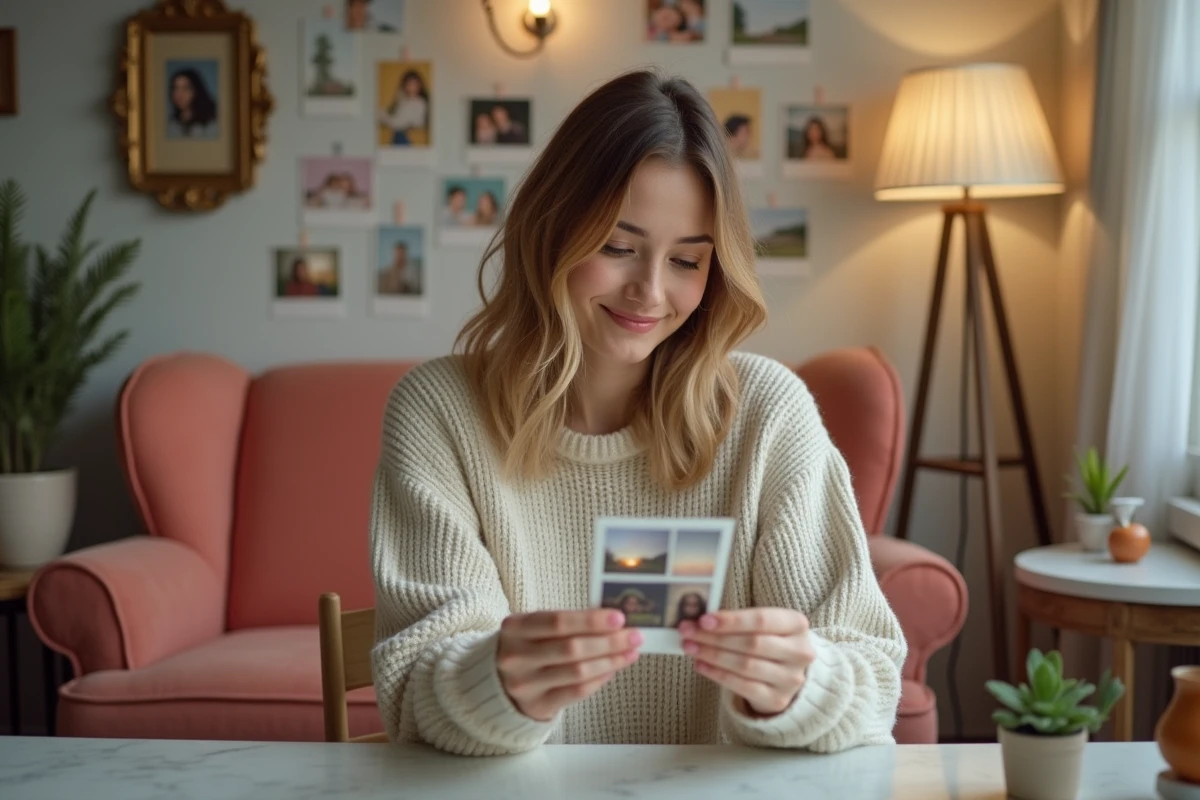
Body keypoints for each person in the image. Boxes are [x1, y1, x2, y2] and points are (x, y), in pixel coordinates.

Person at [369, 68, 905, 755]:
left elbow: (873, 682)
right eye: (618, 247)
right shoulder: (438, 414)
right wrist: (492, 687)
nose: (649, 291)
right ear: (551, 230)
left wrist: (802, 689)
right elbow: (414, 694)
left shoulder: (769, 415)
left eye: (687, 260)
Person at [378, 70, 429, 146]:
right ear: (404, 85)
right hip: (400, 134)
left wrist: (386, 119)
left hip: (409, 138)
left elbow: (398, 123)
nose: (412, 87)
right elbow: (391, 114)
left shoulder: (419, 103)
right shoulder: (403, 101)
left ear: (420, 85)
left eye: (414, 84)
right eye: (409, 84)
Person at [167, 67, 218, 139]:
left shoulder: (212, 123)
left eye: (186, 88)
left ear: (196, 91)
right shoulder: (170, 125)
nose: (179, 94)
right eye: (176, 88)